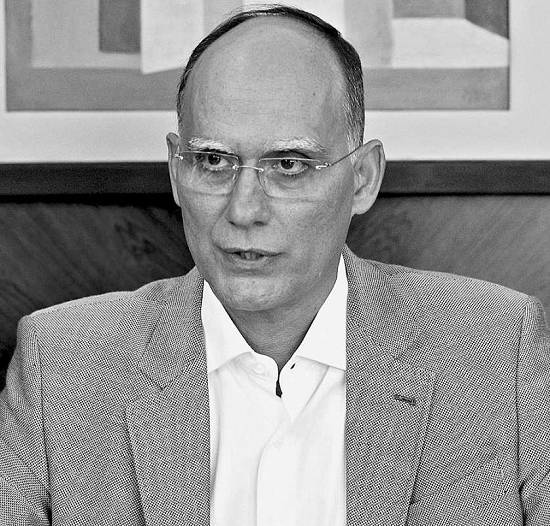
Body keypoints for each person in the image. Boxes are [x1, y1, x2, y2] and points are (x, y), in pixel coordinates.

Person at [1, 5, 549, 526]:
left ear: (362, 178)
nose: (244, 210)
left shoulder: (498, 352)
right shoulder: (62, 365)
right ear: (175, 172)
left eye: (288, 165)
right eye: (212, 161)